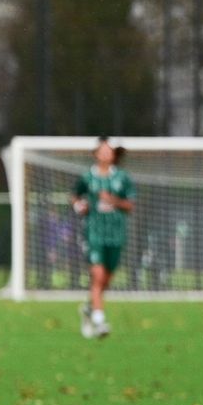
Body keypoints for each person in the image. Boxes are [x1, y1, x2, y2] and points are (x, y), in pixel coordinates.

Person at [71, 137, 134, 338]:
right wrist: (79, 206)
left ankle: (89, 308)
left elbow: (130, 205)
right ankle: (99, 322)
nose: (106, 154)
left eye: (109, 151)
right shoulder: (87, 178)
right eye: (103, 150)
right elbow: (75, 195)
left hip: (116, 235)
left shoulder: (122, 178)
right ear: (96, 154)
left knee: (106, 280)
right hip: (94, 233)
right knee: (97, 276)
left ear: (114, 155)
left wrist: (113, 200)